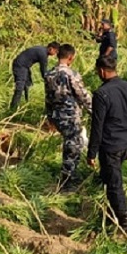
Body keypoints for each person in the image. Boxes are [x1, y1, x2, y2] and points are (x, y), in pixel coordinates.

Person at [87, 55, 127, 234]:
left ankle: (125, 223)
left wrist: (91, 153)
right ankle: (109, 215)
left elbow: (97, 126)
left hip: (111, 145)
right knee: (108, 177)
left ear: (102, 71)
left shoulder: (101, 94)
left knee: (114, 183)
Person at [44, 44, 94, 191]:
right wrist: (95, 112)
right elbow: (82, 95)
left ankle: (69, 176)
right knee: (73, 146)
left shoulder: (49, 74)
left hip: (57, 115)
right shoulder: (72, 74)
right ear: (71, 58)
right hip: (70, 116)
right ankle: (68, 180)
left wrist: (49, 117)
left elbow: (48, 97)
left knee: (70, 144)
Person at [10, 42, 61, 109]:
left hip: (24, 66)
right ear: (51, 48)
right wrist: (50, 80)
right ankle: (13, 108)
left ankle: (26, 104)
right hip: (20, 66)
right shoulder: (43, 54)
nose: (55, 54)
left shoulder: (42, 50)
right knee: (20, 87)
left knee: (28, 84)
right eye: (55, 51)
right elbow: (43, 71)